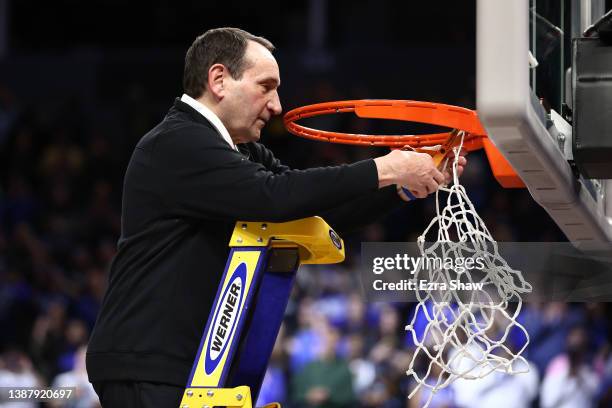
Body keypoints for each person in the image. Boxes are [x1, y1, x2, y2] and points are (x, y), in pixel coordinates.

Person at [85, 27, 466, 407]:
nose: (277, 105)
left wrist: (404, 186)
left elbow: (317, 211)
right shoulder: (175, 141)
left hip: (191, 365)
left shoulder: (241, 150)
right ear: (219, 79)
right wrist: (384, 167)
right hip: (148, 362)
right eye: (266, 86)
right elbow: (273, 197)